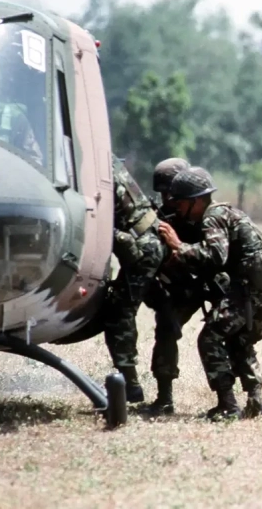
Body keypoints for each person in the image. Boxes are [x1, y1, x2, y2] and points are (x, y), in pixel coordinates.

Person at [159, 166, 262, 420]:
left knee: (210, 338)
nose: (177, 208)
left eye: (180, 202)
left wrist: (178, 246)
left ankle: (228, 404)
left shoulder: (211, 217)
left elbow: (215, 256)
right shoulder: (226, 212)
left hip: (249, 288)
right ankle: (256, 400)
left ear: (195, 201)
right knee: (238, 339)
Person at [142, 157, 204, 415]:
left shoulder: (204, 214)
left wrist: (177, 244)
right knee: (166, 329)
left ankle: (240, 396)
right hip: (173, 287)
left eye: (171, 192)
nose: (167, 198)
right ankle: (164, 397)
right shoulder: (159, 215)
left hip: (202, 281)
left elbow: (213, 254)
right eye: (163, 193)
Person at [105, 155, 167, 403]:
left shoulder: (91, 164)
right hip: (147, 240)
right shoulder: (104, 160)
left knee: (118, 314)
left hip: (141, 246)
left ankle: (130, 386)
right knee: (154, 302)